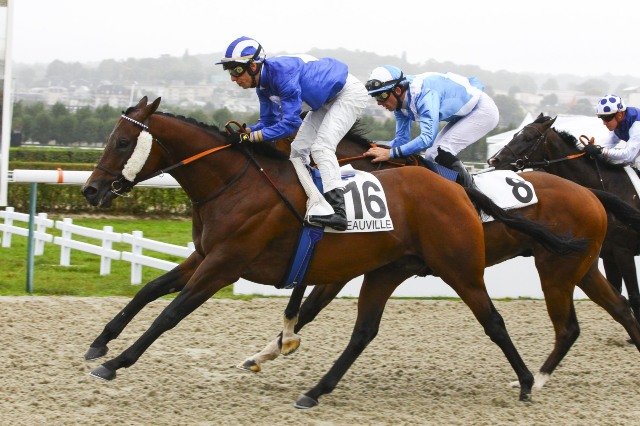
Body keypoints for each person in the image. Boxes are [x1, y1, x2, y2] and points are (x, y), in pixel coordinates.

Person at [216, 36, 369, 231]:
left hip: (348, 94)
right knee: (297, 151)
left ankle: (339, 212)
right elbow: (268, 122)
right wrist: (247, 131)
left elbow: (290, 124)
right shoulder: (263, 88)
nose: (233, 78)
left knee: (321, 147)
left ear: (253, 66)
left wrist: (250, 137)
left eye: (236, 70)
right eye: (229, 71)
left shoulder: (283, 74)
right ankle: (315, 201)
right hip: (323, 102)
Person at [362, 65, 499, 187]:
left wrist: (390, 153)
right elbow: (401, 141)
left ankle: (473, 193)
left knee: (439, 151)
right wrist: (373, 147)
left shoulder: (424, 95)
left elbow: (427, 139)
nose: (379, 103)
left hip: (482, 111)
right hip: (465, 113)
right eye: (375, 97)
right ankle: (456, 185)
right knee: (430, 156)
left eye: (381, 96)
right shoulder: (399, 104)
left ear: (397, 90)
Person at [584, 94, 640, 165]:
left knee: (636, 162)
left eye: (606, 118)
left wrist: (600, 150)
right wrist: (595, 150)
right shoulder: (619, 122)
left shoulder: (637, 126)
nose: (604, 123)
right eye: (602, 118)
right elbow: (608, 145)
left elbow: (628, 156)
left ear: (620, 115)